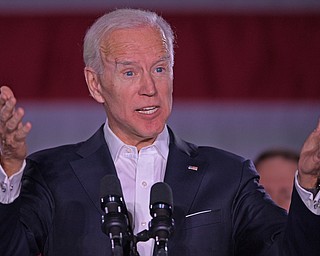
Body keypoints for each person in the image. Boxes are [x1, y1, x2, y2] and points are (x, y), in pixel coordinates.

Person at [0, 8, 319, 256]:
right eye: (129, 72)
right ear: (95, 84)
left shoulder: (228, 175)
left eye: (159, 68)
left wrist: (307, 186)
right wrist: (11, 172)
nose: (150, 88)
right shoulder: (50, 174)